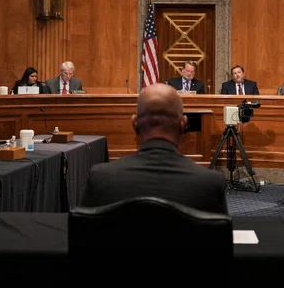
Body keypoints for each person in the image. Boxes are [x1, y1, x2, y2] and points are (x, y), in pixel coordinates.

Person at [81, 83, 227, 213]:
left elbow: (82, 239)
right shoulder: (210, 183)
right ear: (183, 125)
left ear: (135, 124)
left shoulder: (101, 178)